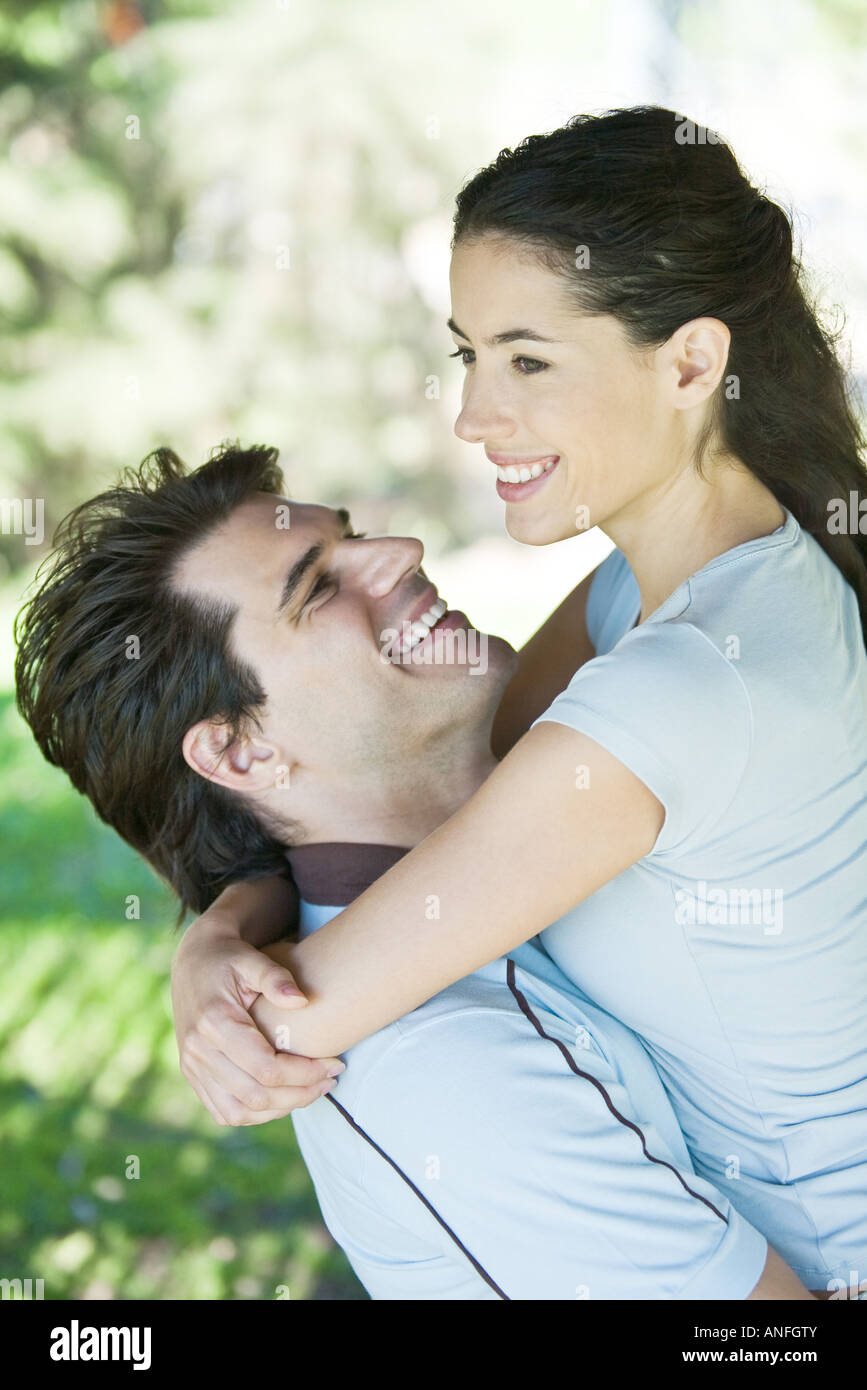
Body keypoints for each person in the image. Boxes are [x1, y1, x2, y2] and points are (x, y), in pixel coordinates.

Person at [169, 109, 867, 1299]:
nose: (475, 417)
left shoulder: (684, 682)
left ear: (691, 365)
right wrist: (222, 923)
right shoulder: (673, 590)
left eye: (527, 361)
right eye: (469, 356)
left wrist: (216, 973)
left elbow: (293, 1016)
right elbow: (445, 766)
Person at [13, 444, 811, 1299]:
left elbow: (695, 538)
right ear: (241, 752)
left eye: (350, 533)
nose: (402, 552)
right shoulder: (450, 1067)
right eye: (317, 588)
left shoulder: (531, 775)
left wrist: (224, 924)